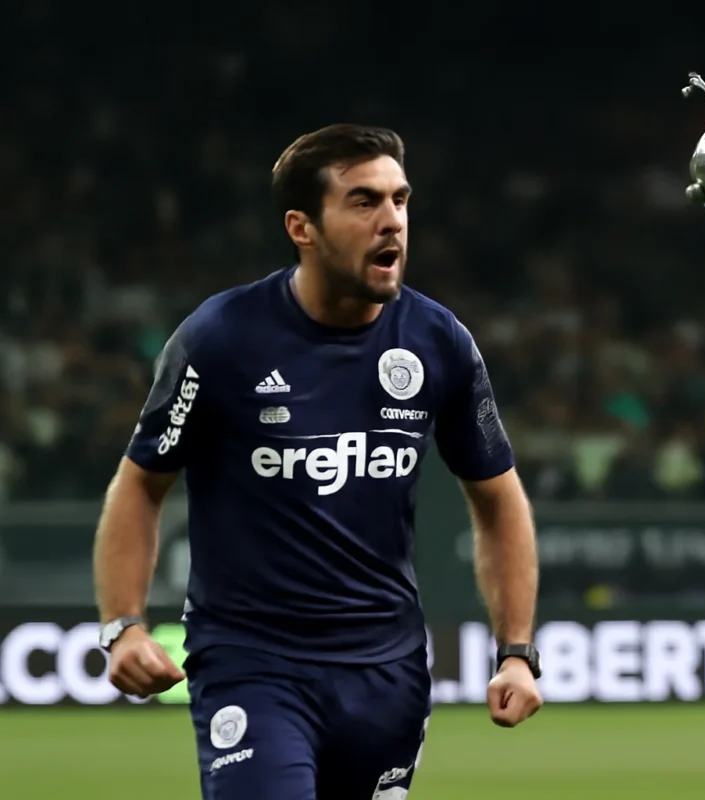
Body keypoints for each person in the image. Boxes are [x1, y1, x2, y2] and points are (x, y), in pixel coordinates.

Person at [91, 124, 543, 799]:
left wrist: (517, 652)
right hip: (251, 662)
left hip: (387, 673)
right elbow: (140, 484)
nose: (392, 221)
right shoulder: (220, 338)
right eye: (363, 201)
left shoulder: (438, 342)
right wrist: (123, 625)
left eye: (399, 199)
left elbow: (499, 500)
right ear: (302, 227)